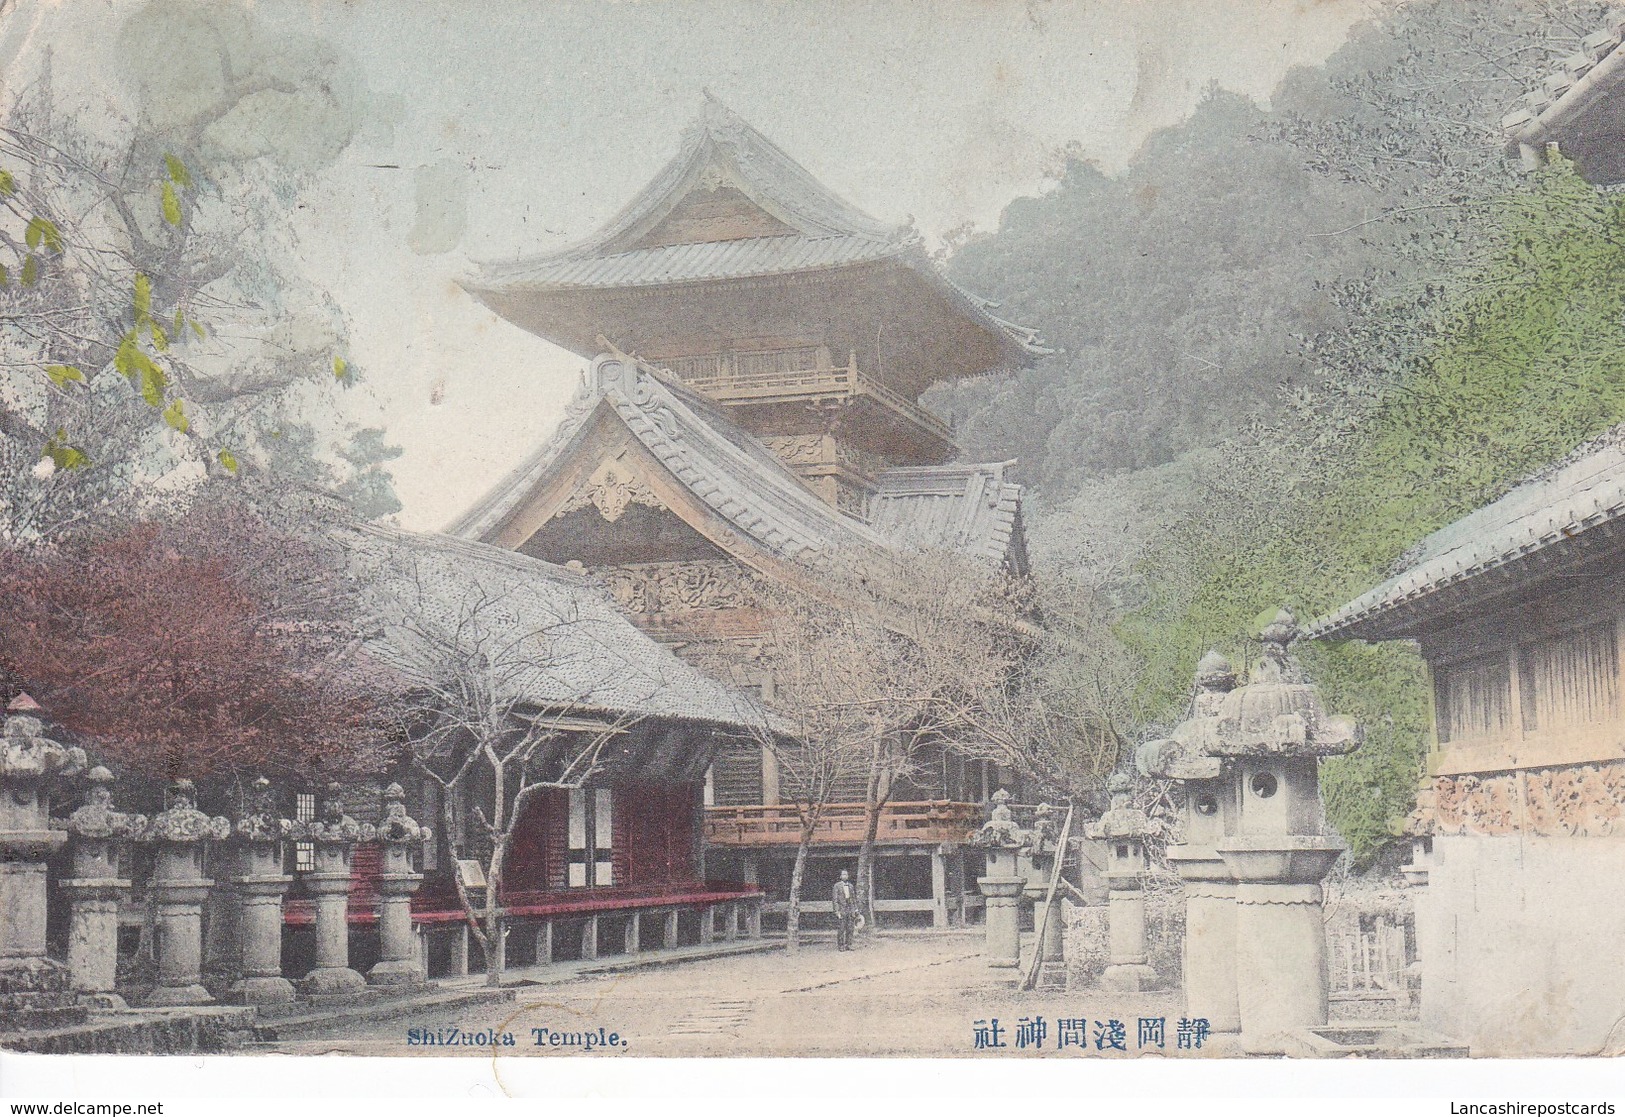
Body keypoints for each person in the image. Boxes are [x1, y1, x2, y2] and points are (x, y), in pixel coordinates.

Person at [831, 869, 858, 951]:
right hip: (842, 909)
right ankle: (841, 945)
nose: (845, 876)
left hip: (850, 909)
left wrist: (855, 909)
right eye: (843, 874)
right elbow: (835, 900)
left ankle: (849, 944)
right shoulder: (837, 886)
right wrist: (837, 911)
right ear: (840, 876)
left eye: (846, 874)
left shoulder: (850, 886)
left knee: (850, 928)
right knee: (841, 929)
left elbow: (853, 899)